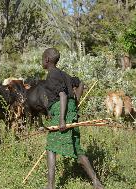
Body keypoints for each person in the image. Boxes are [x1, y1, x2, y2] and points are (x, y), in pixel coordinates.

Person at [41, 48, 103, 189]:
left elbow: (62, 95)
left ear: (47, 60)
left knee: (51, 147)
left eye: (42, 58)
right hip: (71, 113)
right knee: (76, 148)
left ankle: (50, 186)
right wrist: (75, 103)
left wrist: (62, 119)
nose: (42, 61)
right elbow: (80, 83)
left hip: (61, 113)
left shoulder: (52, 75)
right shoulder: (64, 74)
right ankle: (96, 183)